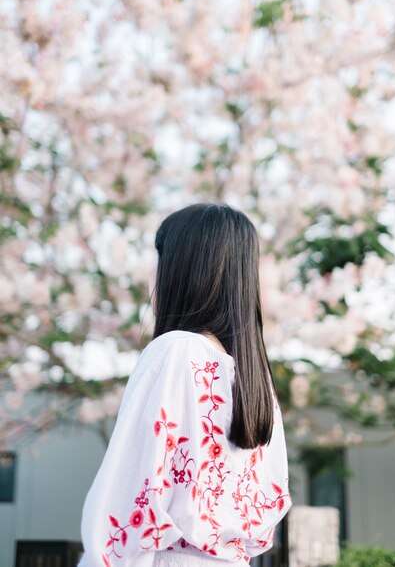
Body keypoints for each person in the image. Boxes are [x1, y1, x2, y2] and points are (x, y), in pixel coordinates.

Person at [77, 202, 292, 567]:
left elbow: (125, 507)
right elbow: (269, 502)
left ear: (183, 270)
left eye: (160, 258)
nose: (152, 273)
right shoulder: (257, 382)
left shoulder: (175, 352)